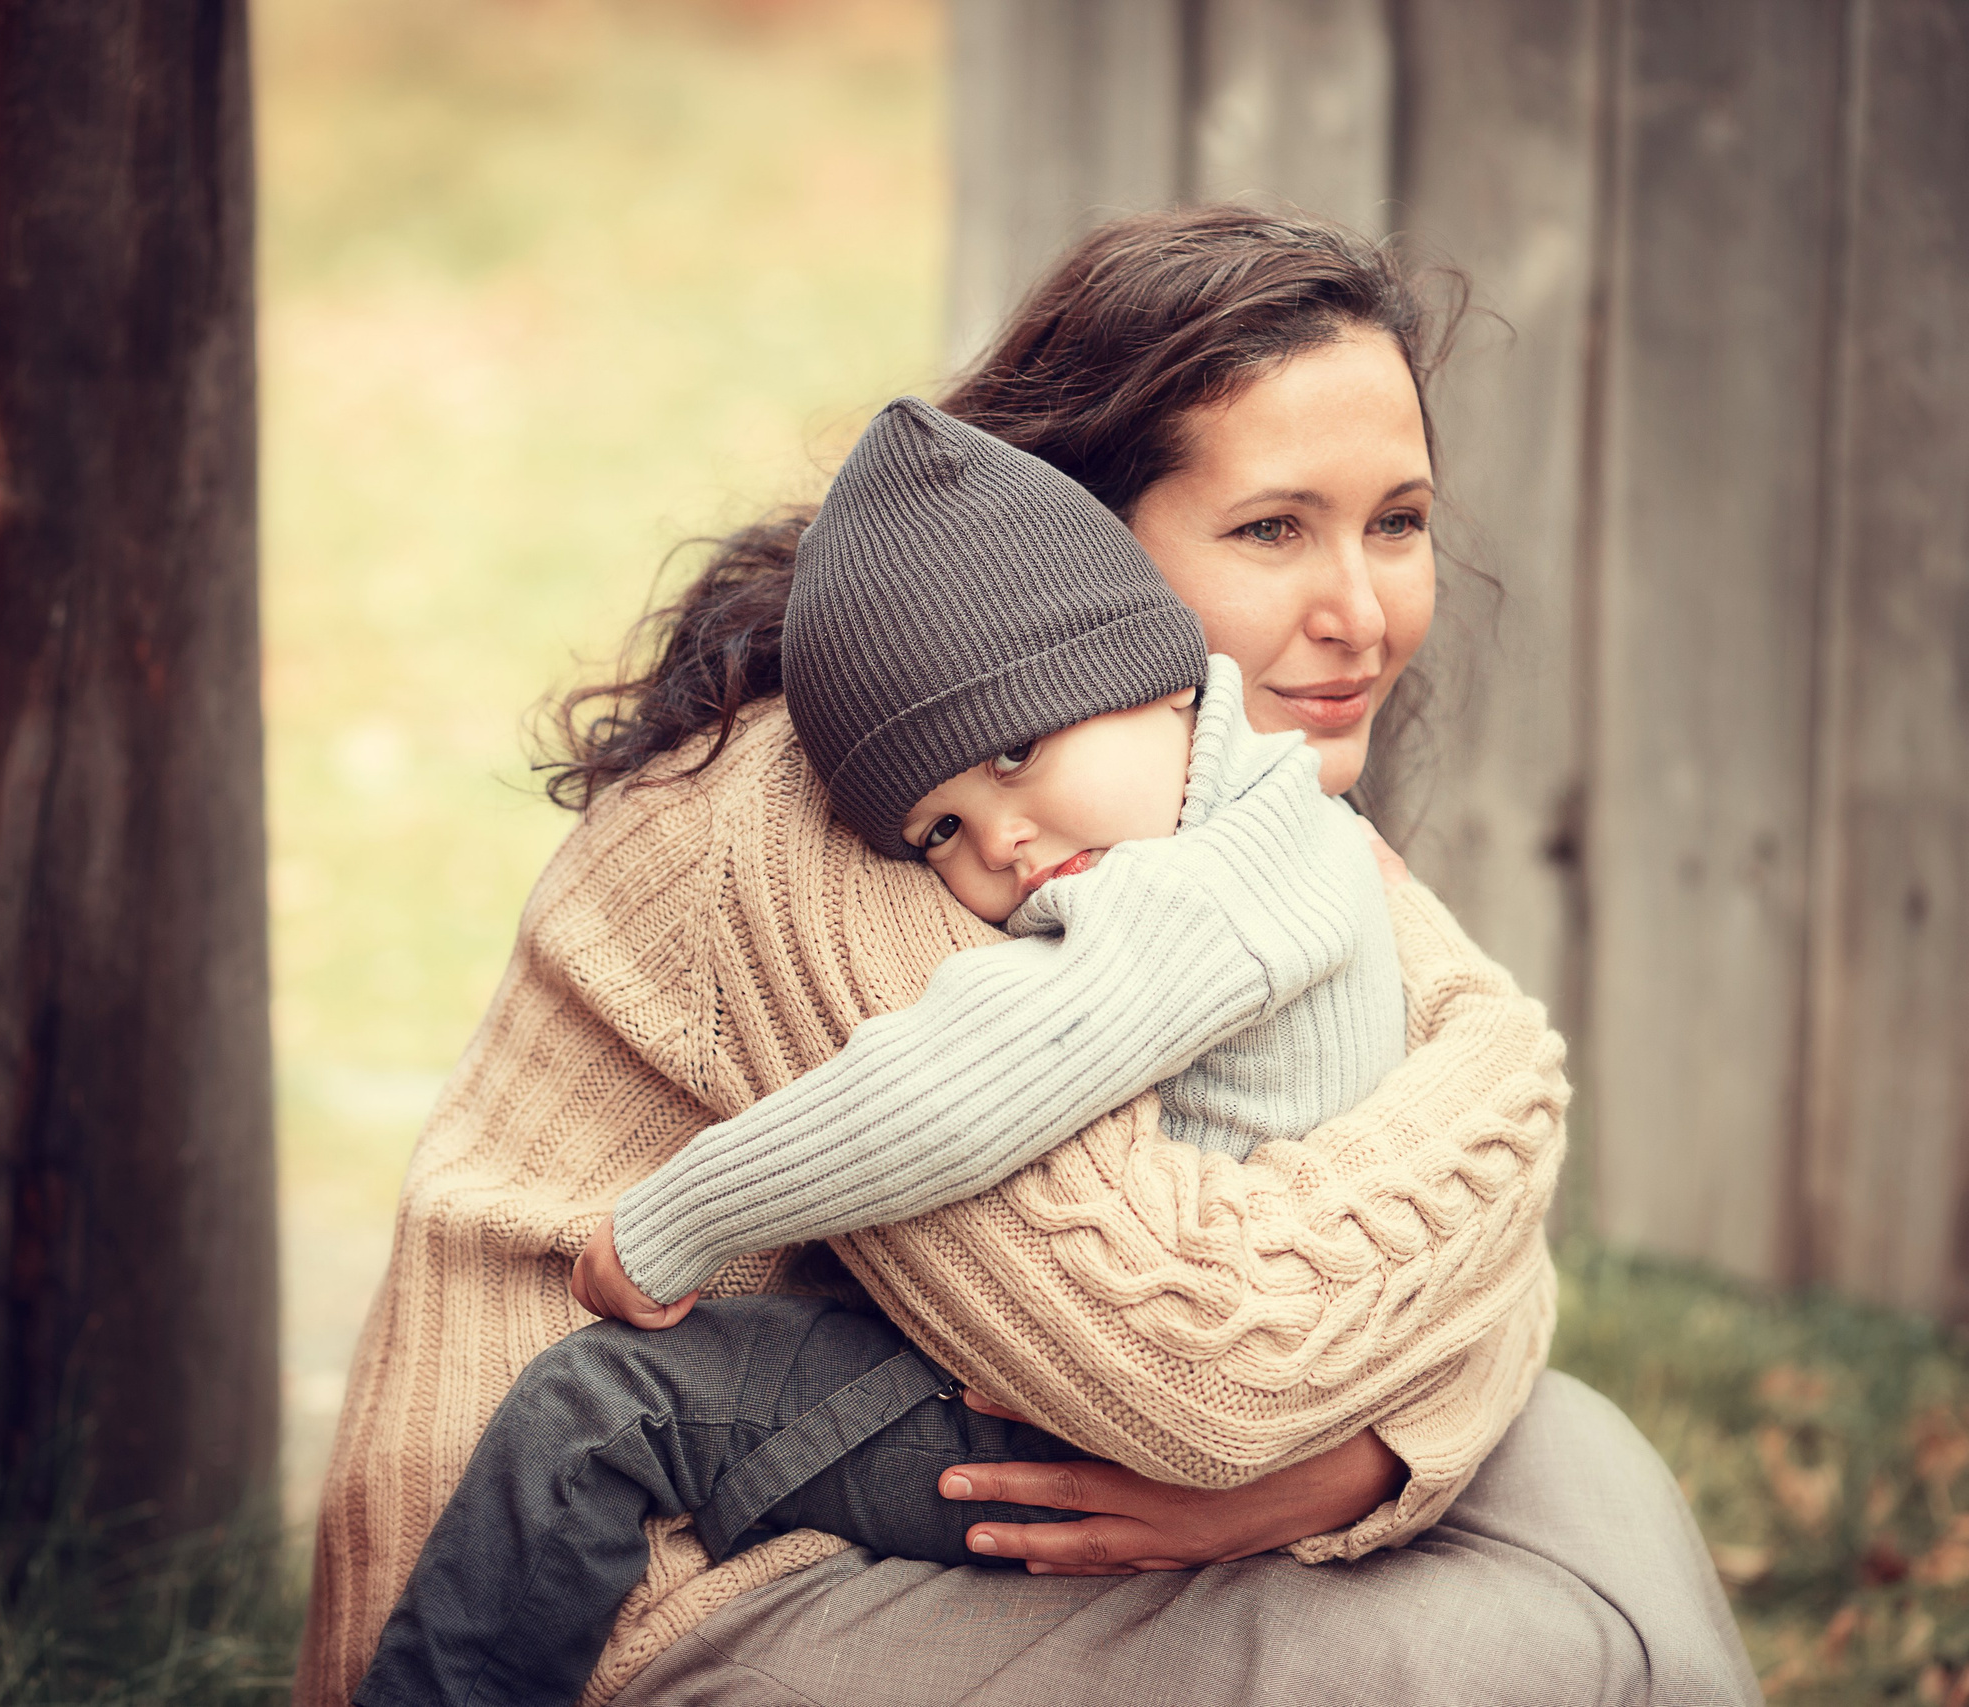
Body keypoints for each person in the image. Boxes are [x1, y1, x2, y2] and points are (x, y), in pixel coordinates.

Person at [297, 208, 1760, 1707]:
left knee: (1584, 1466)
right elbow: (1196, 1371)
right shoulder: (875, 808)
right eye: (1272, 528)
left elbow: (1475, 1248)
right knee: (1536, 1654)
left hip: (897, 1461)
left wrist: (1372, 1457)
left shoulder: (1163, 791)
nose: (1364, 612)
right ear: (1065, 549)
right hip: (635, 1581)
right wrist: (1510, 1071)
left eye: (1396, 520)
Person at [354, 398, 1409, 1707]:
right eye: (940, 831)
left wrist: (673, 1222)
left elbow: (953, 1087)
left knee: (605, 1409)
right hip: (1163, 1398)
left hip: (1097, 1426)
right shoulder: (1282, 828)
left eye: (1021, 752)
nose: (1004, 845)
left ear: (1153, 668)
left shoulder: (1213, 897)